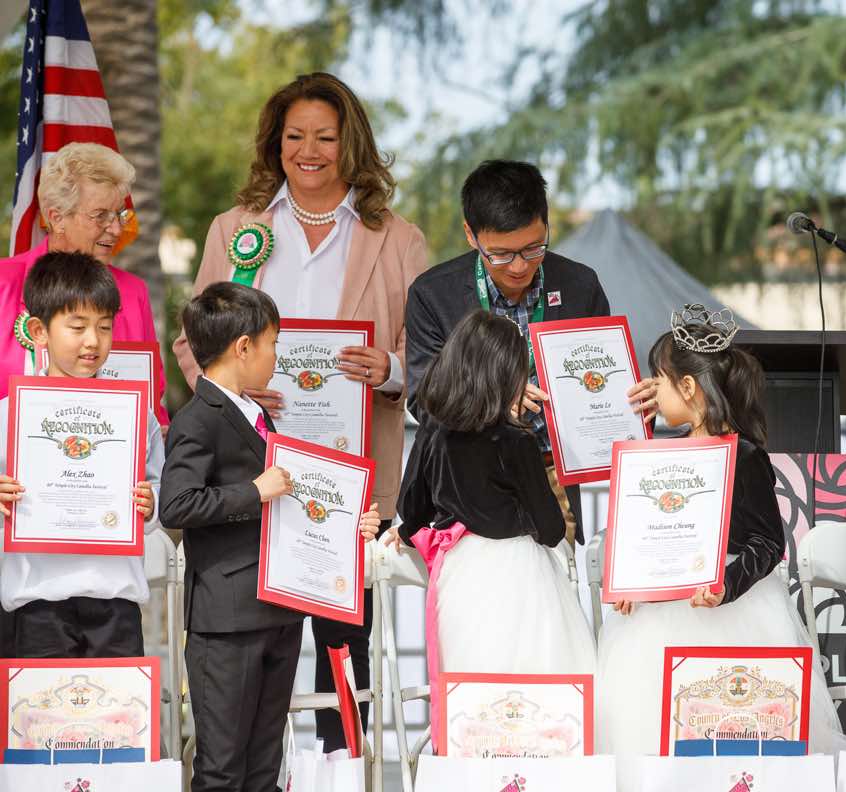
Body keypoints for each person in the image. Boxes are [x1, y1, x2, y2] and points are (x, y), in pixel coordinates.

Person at [171, 72, 426, 752]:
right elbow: (192, 341)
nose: (308, 151)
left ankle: (340, 769)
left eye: (325, 137)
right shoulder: (235, 229)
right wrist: (230, 392)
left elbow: (429, 352)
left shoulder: (398, 239)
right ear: (274, 142)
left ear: (352, 144)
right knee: (252, 652)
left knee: (344, 649)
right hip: (247, 475)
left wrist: (390, 368)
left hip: (351, 476)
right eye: (294, 136)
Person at [595, 305, 846, 774]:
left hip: (732, 610)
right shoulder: (660, 456)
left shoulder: (744, 455)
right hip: (658, 615)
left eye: (660, 380)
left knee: (734, 732)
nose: (653, 390)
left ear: (688, 387)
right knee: (651, 730)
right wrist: (628, 582)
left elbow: (767, 541)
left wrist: (726, 584)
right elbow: (646, 532)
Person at [161, 281, 381, 792]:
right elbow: (177, 503)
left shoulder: (256, 414)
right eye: (273, 345)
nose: (276, 357)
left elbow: (290, 501)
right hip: (226, 618)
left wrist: (350, 523)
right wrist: (253, 491)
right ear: (244, 347)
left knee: (265, 765)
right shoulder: (198, 419)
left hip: (278, 608)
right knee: (222, 767)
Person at [393, 310, 596, 750]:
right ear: (508, 375)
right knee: (538, 696)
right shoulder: (516, 441)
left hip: (460, 576)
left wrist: (410, 531)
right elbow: (549, 528)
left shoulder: (434, 434)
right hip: (520, 574)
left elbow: (411, 510)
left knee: (474, 699)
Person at [405, 159, 622, 547]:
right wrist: (496, 399)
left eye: (534, 248)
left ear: (546, 224)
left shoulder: (579, 285)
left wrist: (628, 403)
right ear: (471, 235)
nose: (520, 266)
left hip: (554, 475)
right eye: (501, 254)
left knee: (557, 579)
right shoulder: (434, 295)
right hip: (469, 482)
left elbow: (602, 380)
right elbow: (424, 401)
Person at [0, 252, 161, 657]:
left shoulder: (134, 415)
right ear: (39, 331)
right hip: (37, 601)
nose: (93, 340)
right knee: (42, 702)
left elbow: (160, 488)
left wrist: (151, 503)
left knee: (117, 701)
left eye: (104, 327)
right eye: (77, 326)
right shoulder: (10, 414)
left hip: (116, 601)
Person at [0, 143, 167, 424]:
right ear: (56, 218)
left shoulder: (133, 291)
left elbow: (152, 395)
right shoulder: (3, 283)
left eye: (119, 214)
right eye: (100, 215)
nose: (116, 229)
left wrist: (158, 430)